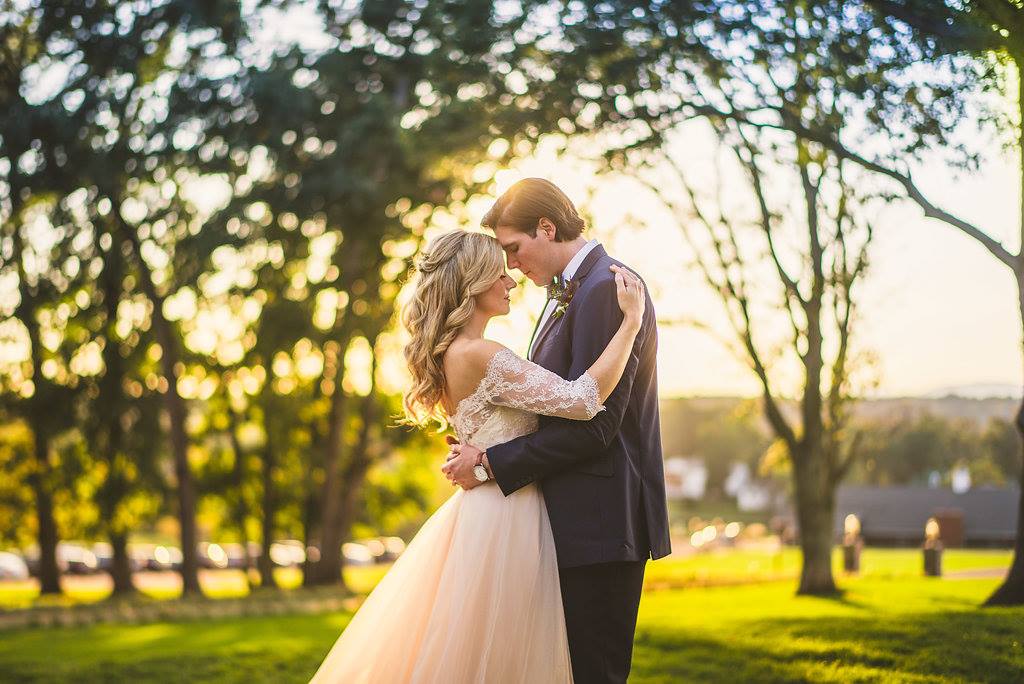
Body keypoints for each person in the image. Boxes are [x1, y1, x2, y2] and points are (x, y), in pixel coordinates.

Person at [309, 226, 647, 683]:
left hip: (483, 510)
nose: (510, 280)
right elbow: (583, 400)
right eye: (498, 273)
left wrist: (484, 457)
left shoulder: (451, 353)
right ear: (473, 284)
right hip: (509, 516)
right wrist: (630, 325)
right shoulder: (482, 354)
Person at [443, 178, 671, 683]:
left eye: (514, 249)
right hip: (560, 525)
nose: (512, 267)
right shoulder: (565, 294)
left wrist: (491, 462)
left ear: (546, 228)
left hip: (599, 525)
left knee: (593, 673)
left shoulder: (607, 290)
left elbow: (599, 426)